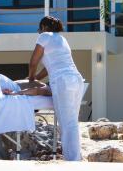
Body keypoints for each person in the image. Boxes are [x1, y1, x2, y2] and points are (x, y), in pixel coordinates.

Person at [28, 16, 86, 161]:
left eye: (39, 29)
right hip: (76, 79)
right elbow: (48, 68)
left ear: (44, 27)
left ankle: (72, 160)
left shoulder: (44, 36)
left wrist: (30, 78)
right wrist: (36, 78)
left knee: (66, 124)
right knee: (72, 122)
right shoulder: (62, 39)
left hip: (62, 81)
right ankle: (76, 157)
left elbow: (33, 62)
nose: (38, 32)